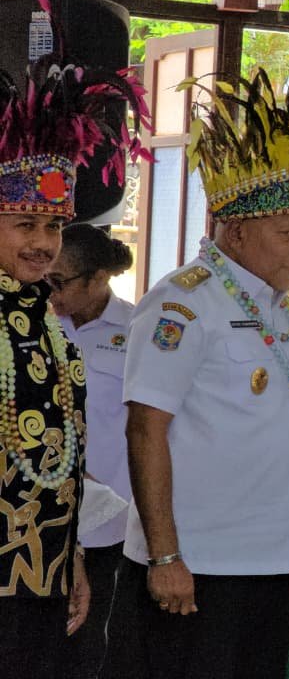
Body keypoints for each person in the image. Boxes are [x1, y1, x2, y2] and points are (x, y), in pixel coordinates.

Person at [104, 65, 289, 679]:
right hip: (198, 566)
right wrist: (165, 554)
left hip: (272, 565)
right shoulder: (181, 305)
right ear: (237, 231)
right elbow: (146, 428)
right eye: (285, 233)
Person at [0, 49, 148, 677]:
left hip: (45, 570)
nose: (43, 243)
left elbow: (60, 462)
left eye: (54, 226)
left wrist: (74, 557)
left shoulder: (46, 320)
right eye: (26, 223)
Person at [49, 224, 136, 678]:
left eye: (59, 281)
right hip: (44, 513)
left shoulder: (139, 330)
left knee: (91, 642)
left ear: (99, 278)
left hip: (109, 519)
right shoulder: (36, 323)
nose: (50, 291)